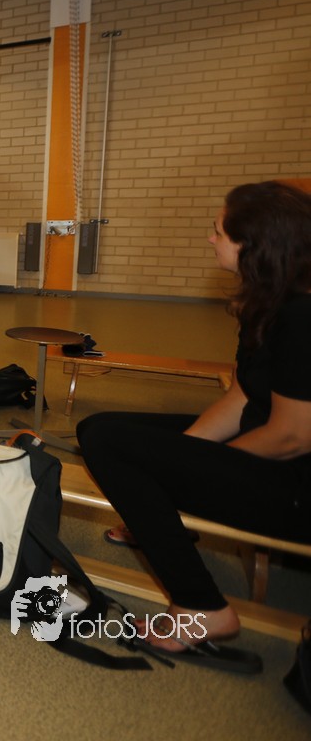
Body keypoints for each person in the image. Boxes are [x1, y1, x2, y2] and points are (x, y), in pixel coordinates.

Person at [77, 181, 311, 671]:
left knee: (108, 442)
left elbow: (292, 436)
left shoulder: (302, 317)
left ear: (254, 246)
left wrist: (195, 468)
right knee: (103, 426)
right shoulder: (268, 302)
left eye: (219, 232)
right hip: (270, 446)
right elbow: (241, 397)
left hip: (296, 487)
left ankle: (201, 606)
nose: (210, 239)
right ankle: (157, 513)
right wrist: (181, 461)